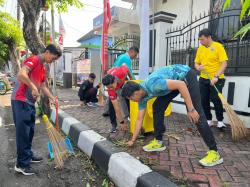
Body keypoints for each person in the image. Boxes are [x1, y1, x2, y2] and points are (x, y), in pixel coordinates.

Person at [121, 64, 223, 167]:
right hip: (175, 81)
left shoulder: (154, 85)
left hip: (186, 75)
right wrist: (133, 140)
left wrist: (191, 109)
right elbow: (139, 119)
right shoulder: (142, 98)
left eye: (131, 98)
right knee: (157, 106)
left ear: (136, 92)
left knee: (196, 113)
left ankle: (214, 152)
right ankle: (158, 141)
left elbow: (181, 85)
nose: (132, 101)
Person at [11, 44, 62, 175]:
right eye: (54, 58)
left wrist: (52, 97)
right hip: (20, 99)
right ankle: (21, 164)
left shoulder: (44, 67)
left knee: (30, 131)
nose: (53, 60)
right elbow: (21, 74)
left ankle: (27, 155)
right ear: (47, 52)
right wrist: (33, 87)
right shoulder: (34, 60)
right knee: (23, 132)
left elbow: (43, 85)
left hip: (29, 102)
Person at [195, 29, 228, 129]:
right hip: (203, 78)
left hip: (217, 79)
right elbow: (196, 63)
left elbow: (224, 63)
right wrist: (198, 67)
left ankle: (220, 121)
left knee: (216, 99)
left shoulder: (218, 47)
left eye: (202, 39)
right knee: (204, 99)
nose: (201, 42)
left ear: (209, 37)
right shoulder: (200, 49)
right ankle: (208, 120)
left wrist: (216, 76)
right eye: (200, 40)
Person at [102, 46, 139, 117]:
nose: (135, 57)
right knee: (122, 96)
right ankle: (127, 115)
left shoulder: (121, 56)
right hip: (116, 79)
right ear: (132, 52)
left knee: (111, 93)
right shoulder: (127, 58)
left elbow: (116, 66)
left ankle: (106, 110)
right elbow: (129, 71)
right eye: (135, 54)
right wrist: (135, 81)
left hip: (111, 77)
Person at [102, 64, 134, 133]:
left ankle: (131, 117)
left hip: (123, 82)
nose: (110, 89)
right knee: (111, 106)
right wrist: (121, 123)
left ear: (115, 80)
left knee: (128, 98)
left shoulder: (121, 72)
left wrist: (132, 79)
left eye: (111, 87)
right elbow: (117, 107)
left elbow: (126, 66)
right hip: (116, 80)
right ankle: (114, 125)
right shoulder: (110, 89)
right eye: (108, 88)